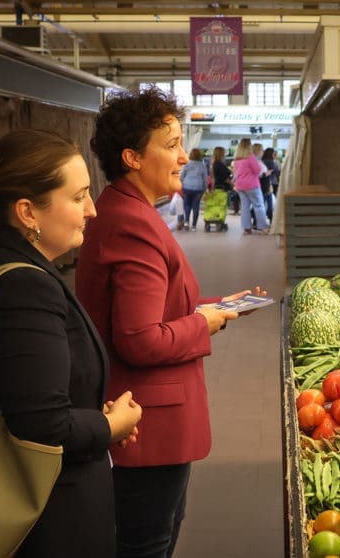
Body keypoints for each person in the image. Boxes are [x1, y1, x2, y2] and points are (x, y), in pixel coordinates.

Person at [0, 129, 143, 557]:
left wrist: (88, 413)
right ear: (28, 212)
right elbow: (42, 426)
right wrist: (109, 427)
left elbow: (26, 393)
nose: (92, 209)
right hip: (45, 517)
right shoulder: (23, 288)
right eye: (79, 197)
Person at [78, 88, 258, 558]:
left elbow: (154, 307)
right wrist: (204, 323)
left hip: (143, 416)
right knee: (147, 543)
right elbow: (140, 339)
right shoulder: (133, 224)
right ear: (133, 157)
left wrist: (214, 306)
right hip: (147, 422)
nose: (183, 156)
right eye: (172, 144)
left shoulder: (128, 210)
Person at [232, 137, 269, 235]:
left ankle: (246, 228)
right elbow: (257, 170)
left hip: (240, 186)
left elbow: (235, 172)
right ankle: (262, 227)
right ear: (249, 146)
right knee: (259, 205)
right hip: (252, 185)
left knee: (245, 207)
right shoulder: (250, 157)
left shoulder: (237, 159)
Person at [179, 148, 208, 231]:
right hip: (198, 187)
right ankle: (194, 226)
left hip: (187, 187)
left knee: (187, 205)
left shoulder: (186, 164)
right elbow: (205, 179)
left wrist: (182, 184)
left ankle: (186, 222)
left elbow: (181, 176)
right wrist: (205, 188)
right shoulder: (202, 165)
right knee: (196, 206)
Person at [260, 147, 280, 223]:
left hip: (261, 183)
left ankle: (257, 219)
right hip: (268, 183)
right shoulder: (270, 161)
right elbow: (275, 171)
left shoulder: (261, 160)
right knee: (269, 202)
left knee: (262, 201)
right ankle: (270, 218)